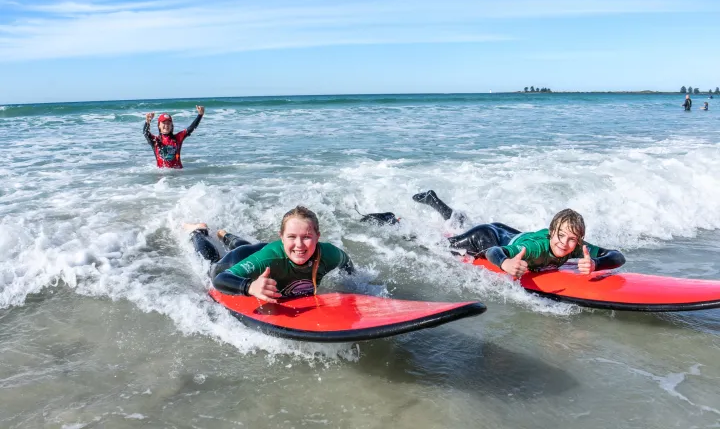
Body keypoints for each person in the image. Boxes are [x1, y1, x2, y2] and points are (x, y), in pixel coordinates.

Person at [363, 190, 625, 278]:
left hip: (505, 231)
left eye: (572, 240)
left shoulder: (575, 244)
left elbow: (617, 256)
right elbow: (493, 252)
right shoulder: (536, 248)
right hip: (486, 238)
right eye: (560, 236)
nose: (565, 245)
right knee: (434, 245)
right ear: (552, 230)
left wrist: (597, 263)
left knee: (460, 225)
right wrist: (506, 263)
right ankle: (391, 220)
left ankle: (435, 201)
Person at [186, 206, 354, 302]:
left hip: (261, 252)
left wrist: (350, 283)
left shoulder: (329, 253)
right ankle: (199, 232)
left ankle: (225, 235)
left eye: (307, 237)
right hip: (233, 263)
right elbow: (220, 280)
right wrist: (249, 286)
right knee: (211, 264)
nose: (299, 244)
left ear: (318, 236)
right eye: (291, 237)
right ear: (281, 237)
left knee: (249, 248)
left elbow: (346, 262)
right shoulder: (269, 259)